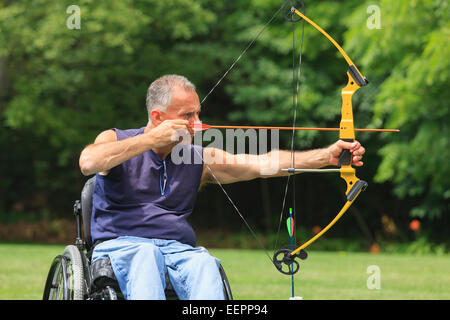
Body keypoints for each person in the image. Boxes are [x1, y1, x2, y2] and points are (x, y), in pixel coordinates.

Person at [79, 74, 365, 300]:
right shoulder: (116, 139)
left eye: (198, 114)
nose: (198, 123)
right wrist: (150, 141)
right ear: (158, 118)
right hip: (124, 247)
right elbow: (88, 162)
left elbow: (261, 163)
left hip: (178, 251)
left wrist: (326, 157)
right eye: (188, 116)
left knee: (204, 262)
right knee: (146, 255)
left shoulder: (198, 159)